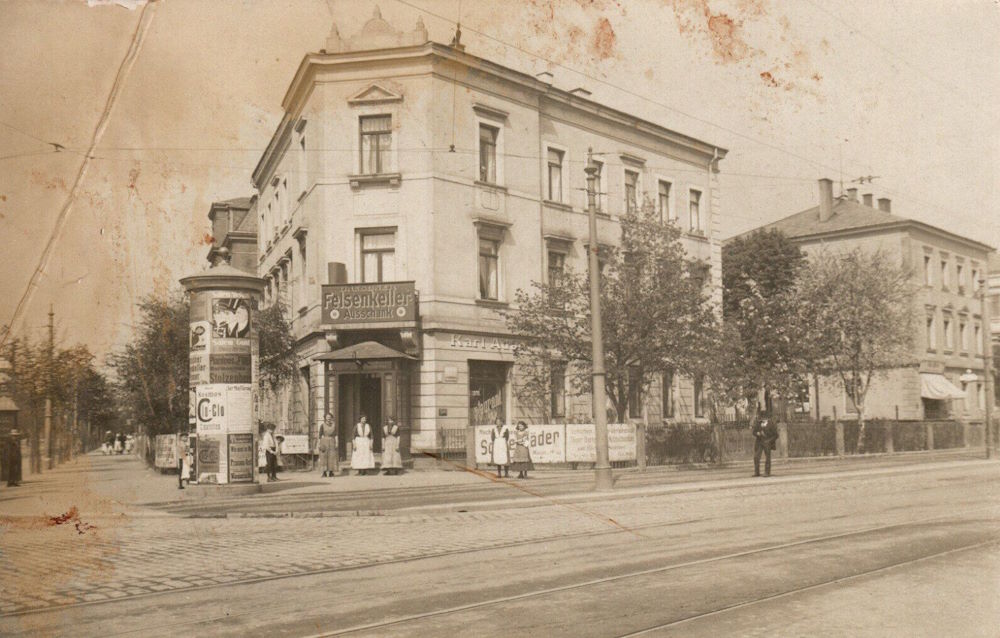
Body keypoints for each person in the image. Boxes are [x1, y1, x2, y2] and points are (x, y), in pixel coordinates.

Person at [318, 413, 339, 478]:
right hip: (324, 442)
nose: (329, 418)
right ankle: (324, 472)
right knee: (324, 457)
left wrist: (337, 442)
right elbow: (320, 435)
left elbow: (336, 434)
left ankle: (331, 472)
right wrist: (319, 444)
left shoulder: (334, 425)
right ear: (325, 418)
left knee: (331, 457)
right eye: (327, 417)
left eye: (330, 417)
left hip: (332, 441)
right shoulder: (322, 425)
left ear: (332, 418)